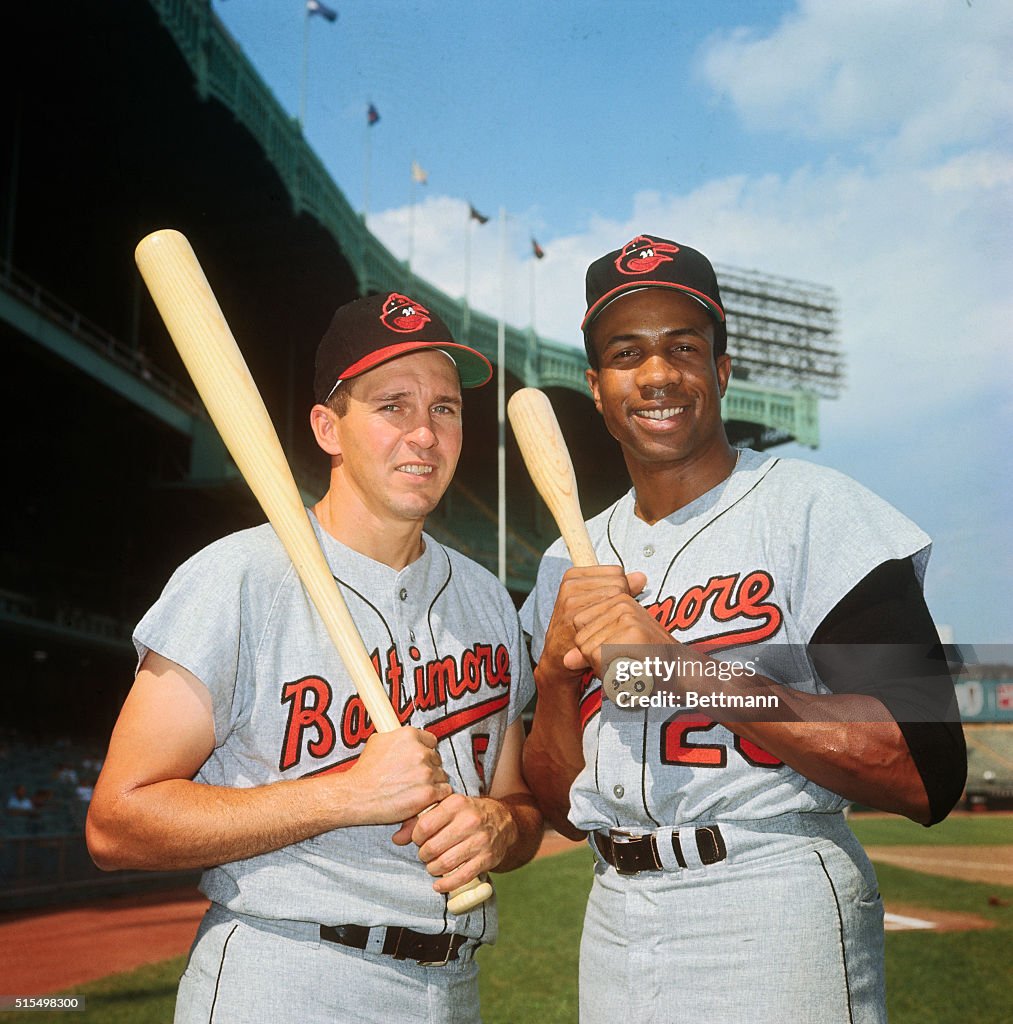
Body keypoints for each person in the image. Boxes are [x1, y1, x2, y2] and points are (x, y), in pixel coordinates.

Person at [520, 234, 966, 1024]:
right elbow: (559, 807)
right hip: (613, 918)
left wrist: (682, 665)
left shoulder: (815, 512)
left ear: (719, 371)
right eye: (627, 353)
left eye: (681, 348)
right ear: (595, 387)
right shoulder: (565, 562)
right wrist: (556, 678)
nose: (656, 374)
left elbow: (924, 765)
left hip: (771, 898)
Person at [87, 292, 542, 1024]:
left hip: (454, 989)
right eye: (392, 405)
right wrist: (345, 796)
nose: (424, 435)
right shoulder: (237, 577)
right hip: (289, 975)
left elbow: (518, 805)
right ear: (329, 428)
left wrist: (497, 826)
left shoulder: (486, 598)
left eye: (444, 409)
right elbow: (117, 822)